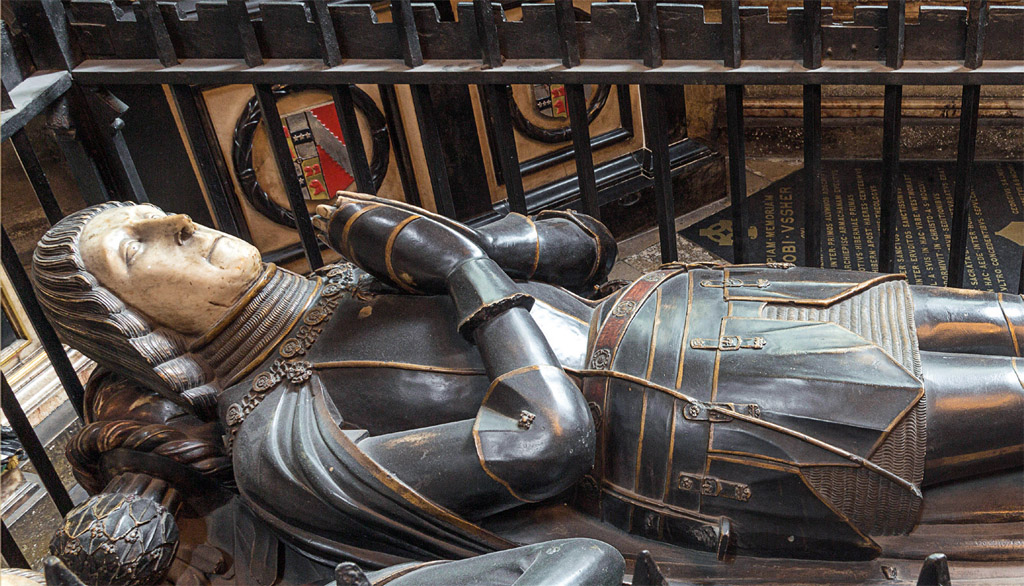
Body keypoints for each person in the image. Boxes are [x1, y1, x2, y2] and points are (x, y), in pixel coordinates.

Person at [33, 195, 1022, 572]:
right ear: (132, 321)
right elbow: (542, 441)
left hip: (710, 315)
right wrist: (464, 269)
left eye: (167, 219)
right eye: (141, 249)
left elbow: (583, 243)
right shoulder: (279, 440)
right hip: (714, 439)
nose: (185, 233)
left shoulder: (343, 274)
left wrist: (440, 237)